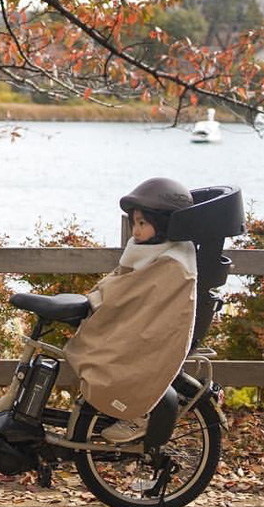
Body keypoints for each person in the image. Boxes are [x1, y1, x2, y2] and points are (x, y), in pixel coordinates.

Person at [63, 178, 198, 443]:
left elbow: (131, 294)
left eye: (142, 224)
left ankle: (135, 411)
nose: (135, 231)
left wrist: (101, 300)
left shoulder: (171, 264)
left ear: (162, 225)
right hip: (141, 324)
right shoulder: (157, 252)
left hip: (148, 334)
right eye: (134, 223)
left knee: (105, 354)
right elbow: (128, 286)